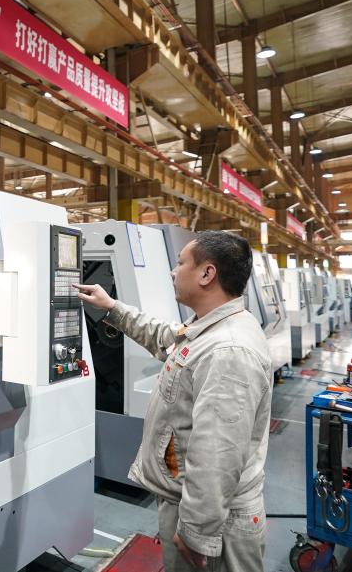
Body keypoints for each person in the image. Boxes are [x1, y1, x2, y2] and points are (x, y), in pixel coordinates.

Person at [74, 231, 272, 572]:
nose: (173, 270)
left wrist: (197, 531)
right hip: (194, 505)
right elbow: (165, 336)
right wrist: (112, 307)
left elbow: (218, 453)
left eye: (181, 263)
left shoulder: (229, 351)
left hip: (216, 522)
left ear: (207, 274)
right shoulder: (209, 329)